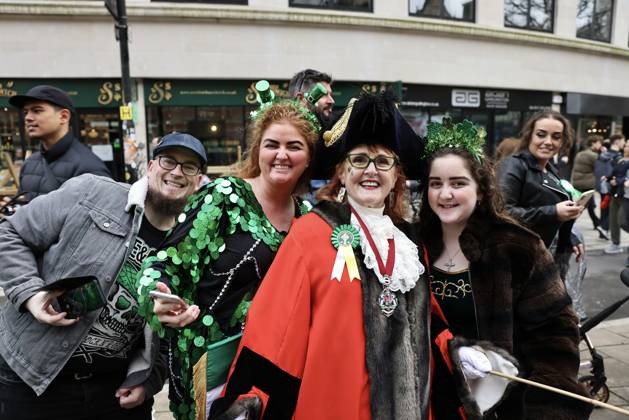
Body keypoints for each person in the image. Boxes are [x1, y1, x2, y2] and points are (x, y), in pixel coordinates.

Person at [212, 92, 455, 420]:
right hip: (334, 405)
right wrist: (251, 400)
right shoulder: (311, 233)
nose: (371, 171)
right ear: (341, 171)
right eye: (359, 160)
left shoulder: (412, 244)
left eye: (383, 161)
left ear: (396, 174)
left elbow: (428, 320)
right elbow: (276, 329)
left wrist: (457, 350)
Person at [0, 132, 206, 420]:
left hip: (113, 391)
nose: (176, 172)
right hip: (34, 376)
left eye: (189, 167)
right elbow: (10, 233)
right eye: (168, 161)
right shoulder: (92, 192)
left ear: (198, 181)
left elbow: (172, 335)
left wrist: (149, 382)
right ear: (150, 167)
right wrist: (31, 294)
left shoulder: (193, 248)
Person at [135, 100, 319, 420]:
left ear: (309, 157)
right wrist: (159, 294)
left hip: (271, 368)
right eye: (271, 144)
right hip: (212, 365)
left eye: (294, 146)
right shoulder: (224, 195)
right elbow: (167, 264)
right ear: (257, 151)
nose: (281, 154)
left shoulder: (307, 217)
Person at [419, 119, 591, 419]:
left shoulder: (518, 247)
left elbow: (554, 333)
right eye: (436, 184)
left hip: (502, 405)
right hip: (432, 399)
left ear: (481, 190)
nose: (445, 194)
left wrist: (543, 403)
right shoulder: (413, 244)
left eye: (458, 183)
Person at [497, 110, 584, 280]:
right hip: (521, 261)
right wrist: (554, 211)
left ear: (563, 141)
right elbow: (502, 213)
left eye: (556, 137)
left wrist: (569, 237)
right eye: (541, 134)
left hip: (549, 257)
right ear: (530, 135)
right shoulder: (514, 166)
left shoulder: (551, 170)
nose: (548, 142)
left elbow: (551, 216)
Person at [8, 85, 111, 200]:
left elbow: (98, 216)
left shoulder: (90, 168)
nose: (28, 117)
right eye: (26, 112)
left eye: (37, 110)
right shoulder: (29, 164)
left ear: (64, 116)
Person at [571, 135, 605, 236]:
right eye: (599, 143)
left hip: (578, 182)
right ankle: (569, 223)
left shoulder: (580, 153)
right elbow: (601, 167)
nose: (600, 145)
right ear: (593, 143)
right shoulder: (593, 155)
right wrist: (603, 153)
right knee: (582, 206)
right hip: (587, 184)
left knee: (590, 205)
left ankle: (597, 223)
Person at [604, 133, 628, 254]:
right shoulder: (620, 158)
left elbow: (624, 178)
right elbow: (614, 172)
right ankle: (615, 243)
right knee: (613, 220)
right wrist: (608, 178)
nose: (626, 148)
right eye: (626, 145)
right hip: (615, 193)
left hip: (625, 195)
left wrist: (617, 181)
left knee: (622, 221)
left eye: (628, 146)